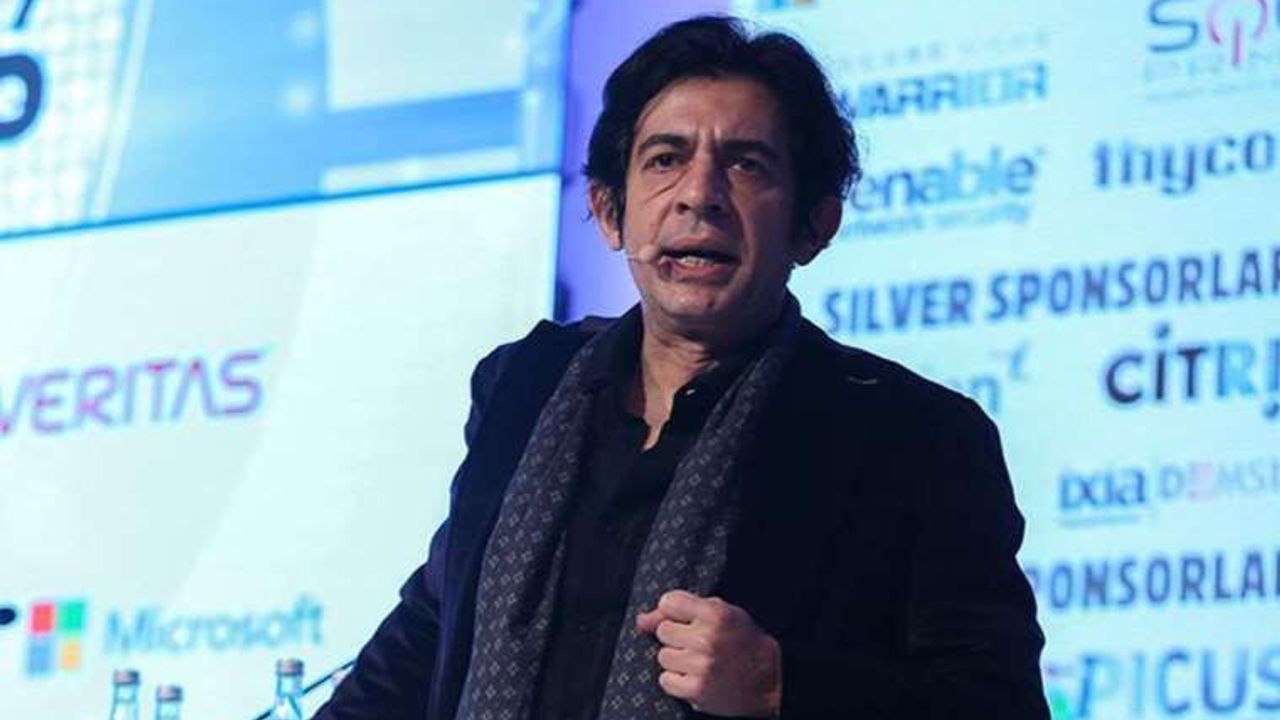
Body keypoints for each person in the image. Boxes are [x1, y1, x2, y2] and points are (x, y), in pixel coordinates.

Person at [314, 15, 1048, 720]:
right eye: (665, 160)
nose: (700, 196)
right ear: (610, 211)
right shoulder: (524, 386)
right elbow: (434, 631)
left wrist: (783, 686)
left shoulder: (911, 438)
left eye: (746, 165)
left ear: (814, 225)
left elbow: (996, 706)